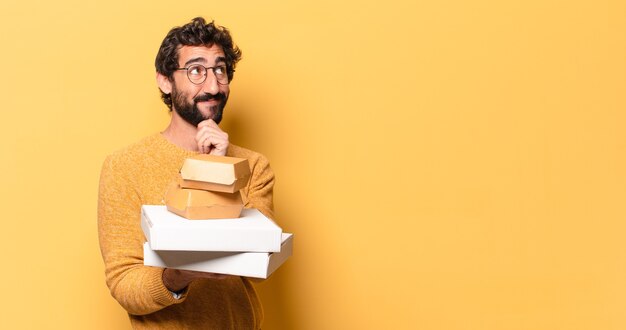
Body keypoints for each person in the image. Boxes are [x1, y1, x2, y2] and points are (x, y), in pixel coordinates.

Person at [97, 17, 275, 329]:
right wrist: (178, 275)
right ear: (165, 81)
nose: (212, 86)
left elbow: (259, 263)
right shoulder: (124, 167)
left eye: (220, 70)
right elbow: (124, 282)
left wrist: (217, 171)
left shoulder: (254, 166)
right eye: (196, 71)